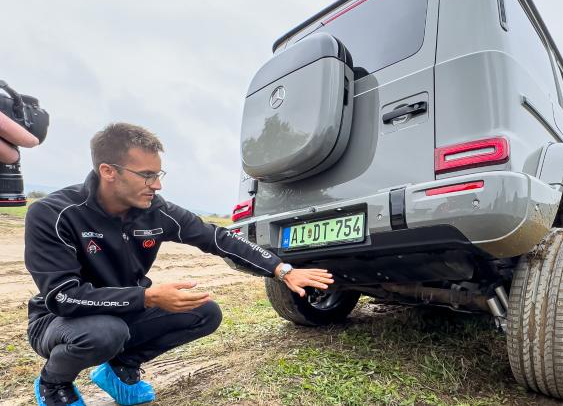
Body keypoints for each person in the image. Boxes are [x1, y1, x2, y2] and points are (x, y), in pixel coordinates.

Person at [24, 123, 334, 406]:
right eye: (147, 175)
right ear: (108, 171)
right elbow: (62, 296)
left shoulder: (156, 212)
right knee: (106, 332)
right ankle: (54, 384)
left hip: (124, 309)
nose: (156, 185)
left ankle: (120, 368)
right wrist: (147, 297)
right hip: (58, 320)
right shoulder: (54, 214)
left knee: (204, 313)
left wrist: (282, 270)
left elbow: (217, 238)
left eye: (159, 174)